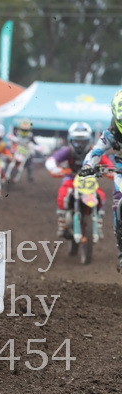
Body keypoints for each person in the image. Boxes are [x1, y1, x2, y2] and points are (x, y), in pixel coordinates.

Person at [45, 121, 113, 237]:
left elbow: (108, 164)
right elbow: (52, 160)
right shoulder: (67, 151)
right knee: (63, 193)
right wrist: (54, 168)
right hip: (71, 178)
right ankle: (62, 221)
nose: (80, 144)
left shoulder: (95, 151)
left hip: (89, 180)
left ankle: (99, 221)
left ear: (89, 140)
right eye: (77, 141)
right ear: (71, 140)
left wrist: (110, 171)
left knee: (101, 195)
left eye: (83, 141)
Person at [80, 90, 122, 271]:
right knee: (119, 205)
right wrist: (88, 166)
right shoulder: (110, 134)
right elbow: (95, 152)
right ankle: (121, 251)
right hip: (121, 172)